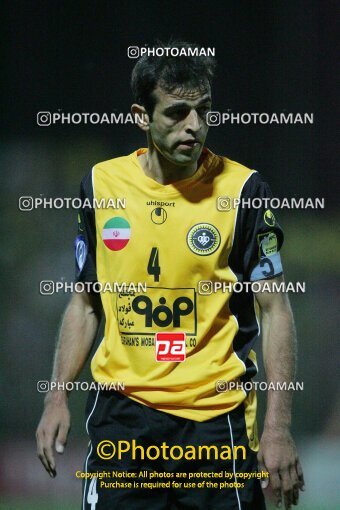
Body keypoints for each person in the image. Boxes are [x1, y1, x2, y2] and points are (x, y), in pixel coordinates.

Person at [36, 41, 305, 510]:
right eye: (177, 113)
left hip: (215, 424)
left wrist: (277, 429)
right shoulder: (101, 186)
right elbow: (84, 305)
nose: (194, 126)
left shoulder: (243, 190)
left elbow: (276, 310)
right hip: (122, 420)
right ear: (141, 115)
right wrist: (56, 398)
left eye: (203, 111)